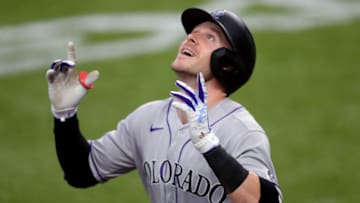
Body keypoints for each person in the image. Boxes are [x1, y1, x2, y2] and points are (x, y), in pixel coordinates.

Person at [46, 8, 282, 203]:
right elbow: (82, 171)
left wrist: (209, 146)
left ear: (227, 65)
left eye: (210, 37)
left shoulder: (241, 131)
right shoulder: (148, 119)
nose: (191, 37)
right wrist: (64, 116)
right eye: (193, 33)